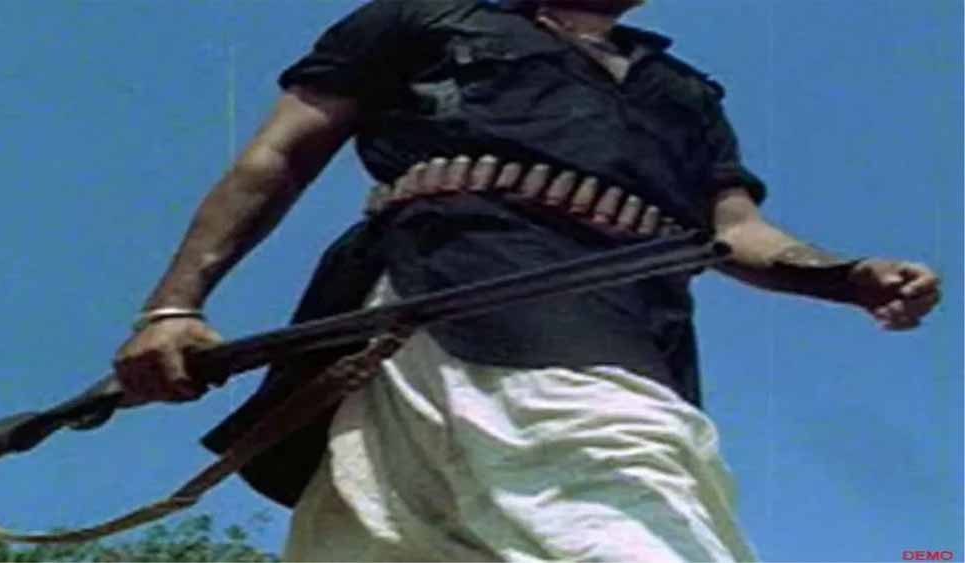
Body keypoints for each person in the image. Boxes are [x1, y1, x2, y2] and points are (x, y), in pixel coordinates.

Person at [112, 0, 942, 560]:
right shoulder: (422, 18)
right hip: (437, 301)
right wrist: (172, 306)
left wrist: (845, 276)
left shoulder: (683, 92)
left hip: (626, 333)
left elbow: (738, 232)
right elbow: (278, 155)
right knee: (611, 508)